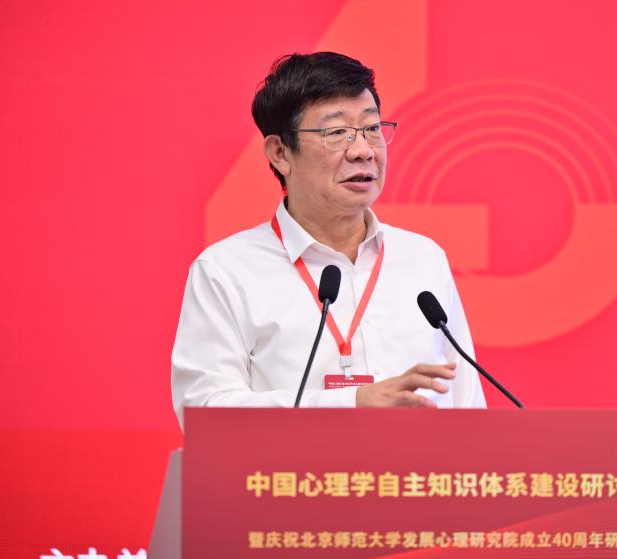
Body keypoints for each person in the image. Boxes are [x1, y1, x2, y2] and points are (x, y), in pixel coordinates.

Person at [171, 52, 486, 427]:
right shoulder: (226, 271)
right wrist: (351, 403)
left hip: (416, 467)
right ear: (280, 153)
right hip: (288, 468)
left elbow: (468, 406)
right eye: (337, 133)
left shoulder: (423, 258)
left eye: (372, 129)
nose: (363, 151)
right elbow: (204, 413)